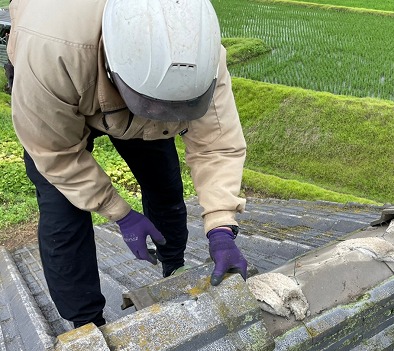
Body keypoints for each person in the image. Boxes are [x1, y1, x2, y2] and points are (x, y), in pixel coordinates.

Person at [7, 0, 248, 329]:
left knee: (164, 185)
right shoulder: (51, 51)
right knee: (62, 212)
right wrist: (120, 213)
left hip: (141, 86)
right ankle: (87, 324)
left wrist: (221, 227)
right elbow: (56, 153)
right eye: (152, 106)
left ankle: (173, 266)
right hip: (66, 84)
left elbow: (217, 145)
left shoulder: (197, 48)